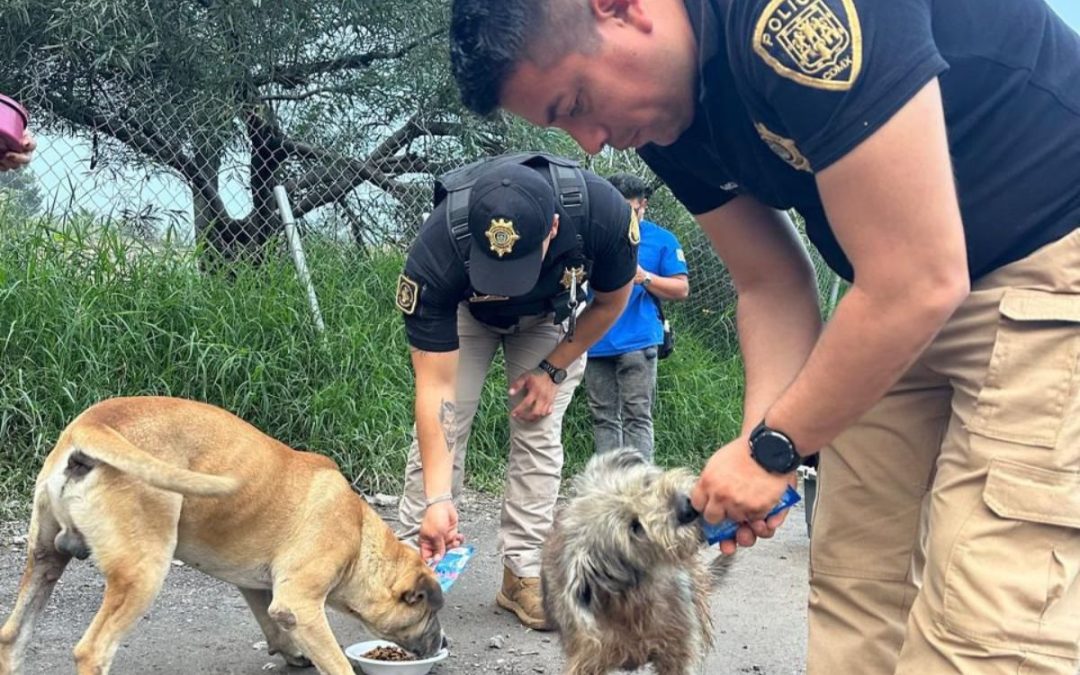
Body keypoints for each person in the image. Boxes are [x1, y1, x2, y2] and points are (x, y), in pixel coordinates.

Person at [448, 1, 1080, 673]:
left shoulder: (789, 15)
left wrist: (775, 448)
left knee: (984, 631)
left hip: (1046, 261)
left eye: (576, 101)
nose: (592, 142)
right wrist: (763, 450)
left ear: (619, 9)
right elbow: (770, 282)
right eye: (563, 124)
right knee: (856, 585)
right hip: (890, 299)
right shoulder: (664, 116)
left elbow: (919, 273)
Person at [395, 152, 638, 630]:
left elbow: (611, 302)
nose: (504, 288)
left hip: (552, 318)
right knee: (450, 422)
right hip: (468, 315)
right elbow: (436, 387)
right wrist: (437, 499)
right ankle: (408, 561)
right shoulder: (438, 248)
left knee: (538, 428)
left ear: (552, 228)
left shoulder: (602, 214)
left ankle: (523, 574)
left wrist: (553, 370)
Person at [585, 172, 688, 460]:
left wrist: (644, 278)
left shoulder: (662, 240)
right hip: (595, 340)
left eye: (629, 211)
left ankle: (640, 489)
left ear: (643, 205)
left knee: (637, 416)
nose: (623, 218)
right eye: (616, 210)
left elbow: (681, 289)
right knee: (603, 417)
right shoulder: (594, 235)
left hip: (638, 341)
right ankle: (608, 487)